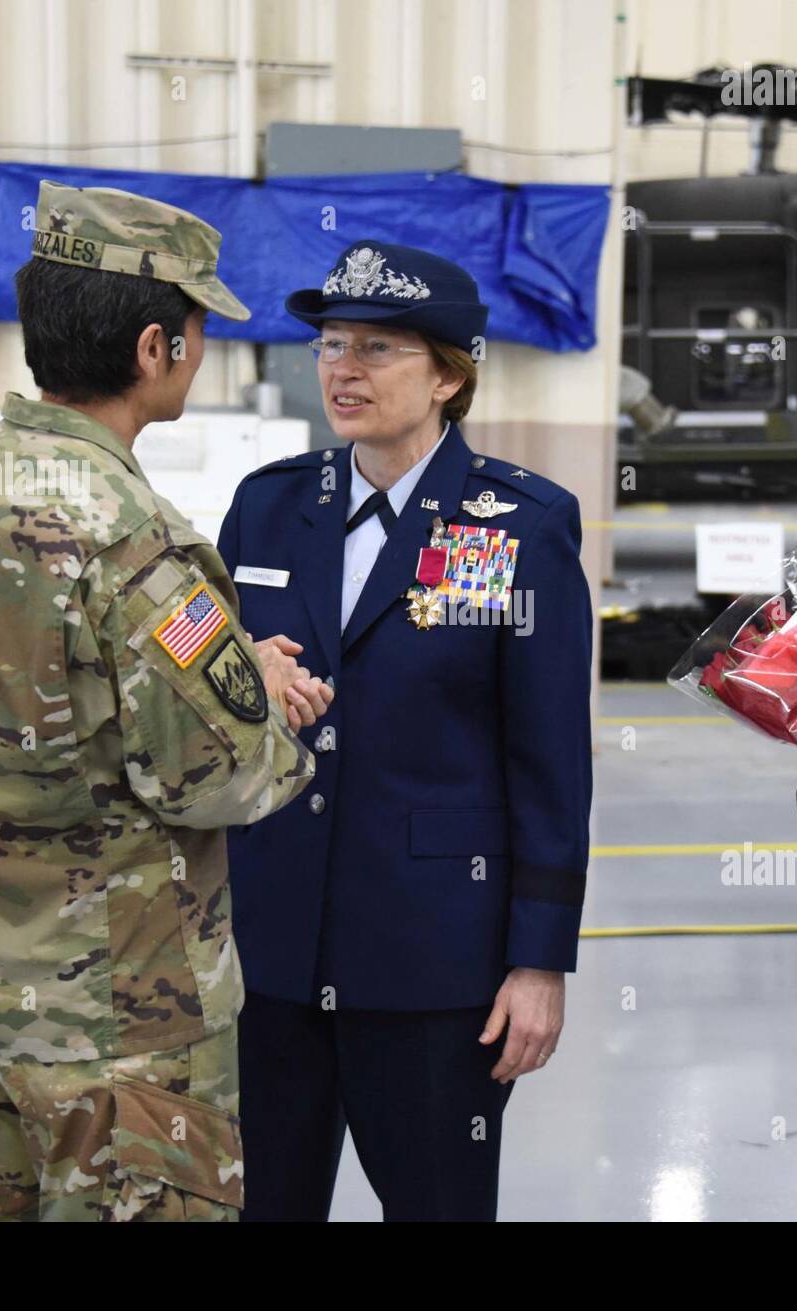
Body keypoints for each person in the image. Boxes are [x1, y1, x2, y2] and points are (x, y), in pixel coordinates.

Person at [0, 180, 327, 1222]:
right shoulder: (137, 541)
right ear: (154, 347)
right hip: (113, 1037)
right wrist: (271, 703)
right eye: (199, 333)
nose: (198, 357)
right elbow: (224, 777)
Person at [218, 240, 594, 1221]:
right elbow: (194, 652)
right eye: (331, 344)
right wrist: (230, 671)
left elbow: (549, 758)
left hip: (434, 959)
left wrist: (538, 960)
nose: (343, 368)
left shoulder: (512, 527)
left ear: (447, 375)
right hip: (271, 952)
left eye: (378, 348)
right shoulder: (267, 509)